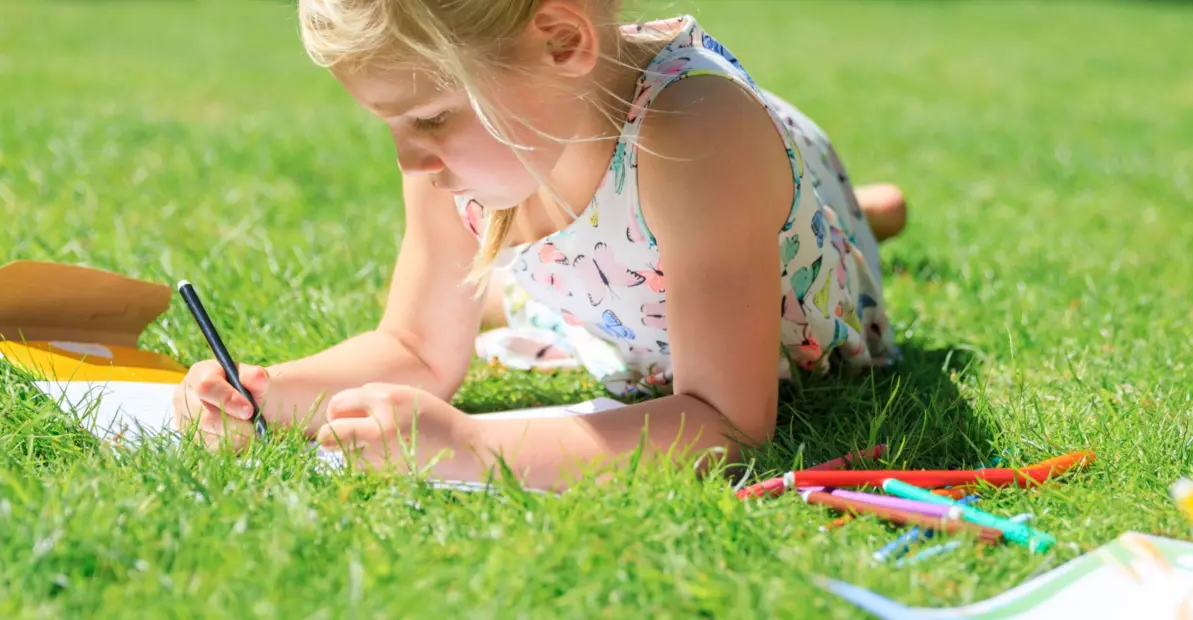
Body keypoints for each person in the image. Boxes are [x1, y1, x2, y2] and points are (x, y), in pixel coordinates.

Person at [170, 0, 911, 490]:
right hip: (619, 276)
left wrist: (473, 446)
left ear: (562, 42)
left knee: (794, 217)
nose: (409, 161)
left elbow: (730, 422)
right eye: (390, 125)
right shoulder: (466, 160)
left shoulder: (697, 133)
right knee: (516, 287)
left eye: (429, 117)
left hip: (752, 196)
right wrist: (264, 395)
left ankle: (861, 212)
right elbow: (418, 348)